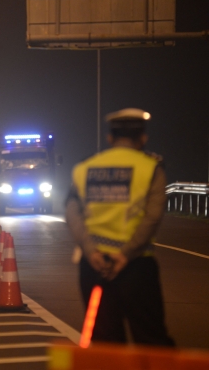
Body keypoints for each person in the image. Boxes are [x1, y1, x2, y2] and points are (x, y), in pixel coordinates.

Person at [65, 108, 175, 346]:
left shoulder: (86, 167)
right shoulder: (151, 168)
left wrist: (90, 251)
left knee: (104, 341)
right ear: (143, 138)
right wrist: (125, 255)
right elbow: (153, 218)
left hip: (94, 267)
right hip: (136, 267)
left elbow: (72, 212)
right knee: (152, 341)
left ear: (110, 138)